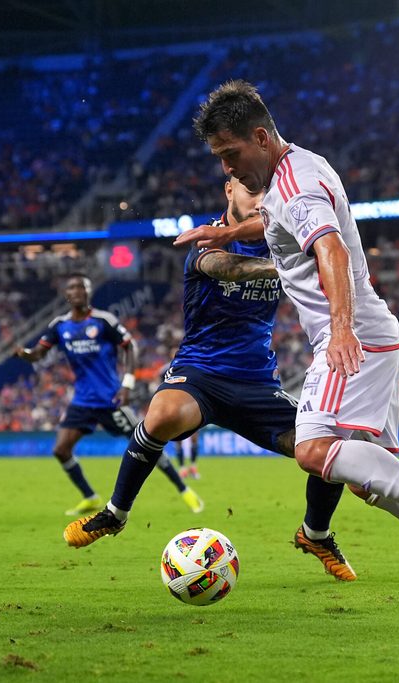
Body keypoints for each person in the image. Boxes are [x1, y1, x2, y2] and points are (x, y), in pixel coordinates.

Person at [192, 79, 399, 602]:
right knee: (366, 481)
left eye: (230, 154)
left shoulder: (295, 187)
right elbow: (276, 224)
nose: (226, 168)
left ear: (260, 136)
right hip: (372, 336)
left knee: (313, 450)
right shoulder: (292, 174)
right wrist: (225, 234)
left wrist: (340, 329)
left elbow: (331, 249)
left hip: (352, 336)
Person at [63, 178, 358, 582]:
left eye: (265, 192)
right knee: (162, 416)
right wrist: (285, 267)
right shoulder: (209, 237)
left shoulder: (282, 237)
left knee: (326, 449)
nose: (259, 199)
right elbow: (226, 268)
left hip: (257, 382)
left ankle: (316, 534)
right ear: (228, 191)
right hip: (200, 372)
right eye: (250, 190)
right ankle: (115, 513)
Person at [16, 274, 202, 516]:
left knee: (147, 444)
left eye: (82, 287)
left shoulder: (103, 321)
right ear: (66, 294)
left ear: (89, 292)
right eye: (72, 287)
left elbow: (130, 346)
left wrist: (127, 383)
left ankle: (184, 490)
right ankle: (90, 497)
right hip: (82, 401)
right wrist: (25, 353)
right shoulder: (59, 326)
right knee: (61, 449)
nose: (77, 291)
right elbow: (39, 353)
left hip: (111, 399)